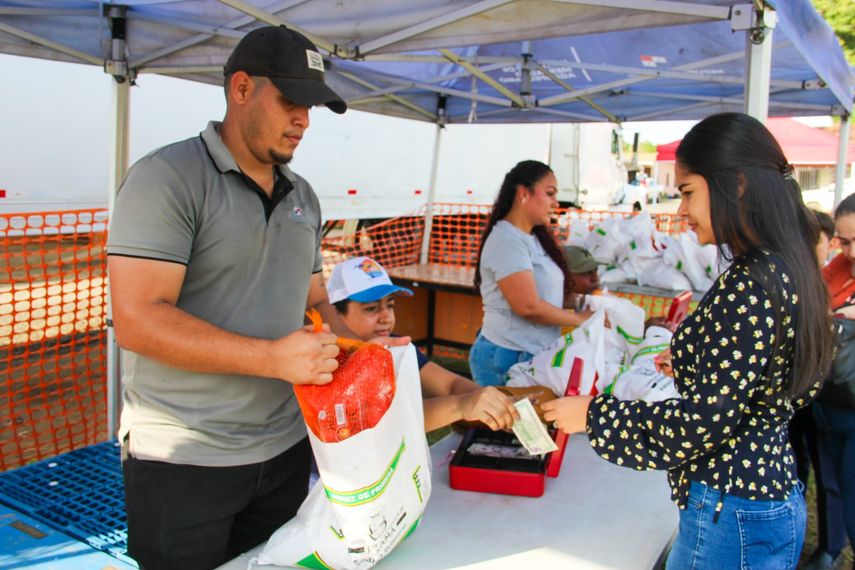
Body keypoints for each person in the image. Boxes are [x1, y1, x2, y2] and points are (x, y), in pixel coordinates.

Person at [106, 26, 404, 570]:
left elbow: (313, 299)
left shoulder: (304, 196)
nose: (304, 120)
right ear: (241, 88)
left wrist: (365, 348)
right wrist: (270, 358)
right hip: (185, 458)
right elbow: (136, 321)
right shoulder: (168, 179)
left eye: (312, 106)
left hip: (286, 449)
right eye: (292, 100)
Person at [543, 112, 835, 569]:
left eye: (687, 192)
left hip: (729, 508)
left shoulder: (750, 283)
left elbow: (703, 423)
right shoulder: (788, 267)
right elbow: (782, 375)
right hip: (768, 493)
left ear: (736, 184)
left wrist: (594, 416)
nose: (680, 212)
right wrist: (698, 364)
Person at [327, 256, 519, 432]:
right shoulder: (327, 361)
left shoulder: (396, 347)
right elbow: (389, 422)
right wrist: (461, 405)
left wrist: (498, 402)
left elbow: (450, 384)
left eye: (390, 305)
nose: (386, 317)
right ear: (334, 315)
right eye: (371, 308)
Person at [469, 160, 592, 387]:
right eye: (550, 193)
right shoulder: (507, 240)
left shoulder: (532, 238)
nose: (555, 202)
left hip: (530, 354)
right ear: (524, 194)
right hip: (506, 355)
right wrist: (578, 319)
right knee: (507, 422)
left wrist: (579, 302)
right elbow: (527, 306)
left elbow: (543, 293)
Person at [790, 209, 848, 570]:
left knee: (840, 481)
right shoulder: (831, 271)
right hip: (814, 388)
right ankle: (817, 544)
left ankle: (832, 547)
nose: (848, 249)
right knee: (810, 468)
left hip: (845, 394)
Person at [813, 195, 855, 570]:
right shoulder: (837, 269)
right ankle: (830, 548)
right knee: (830, 484)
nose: (848, 250)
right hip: (827, 400)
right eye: (843, 241)